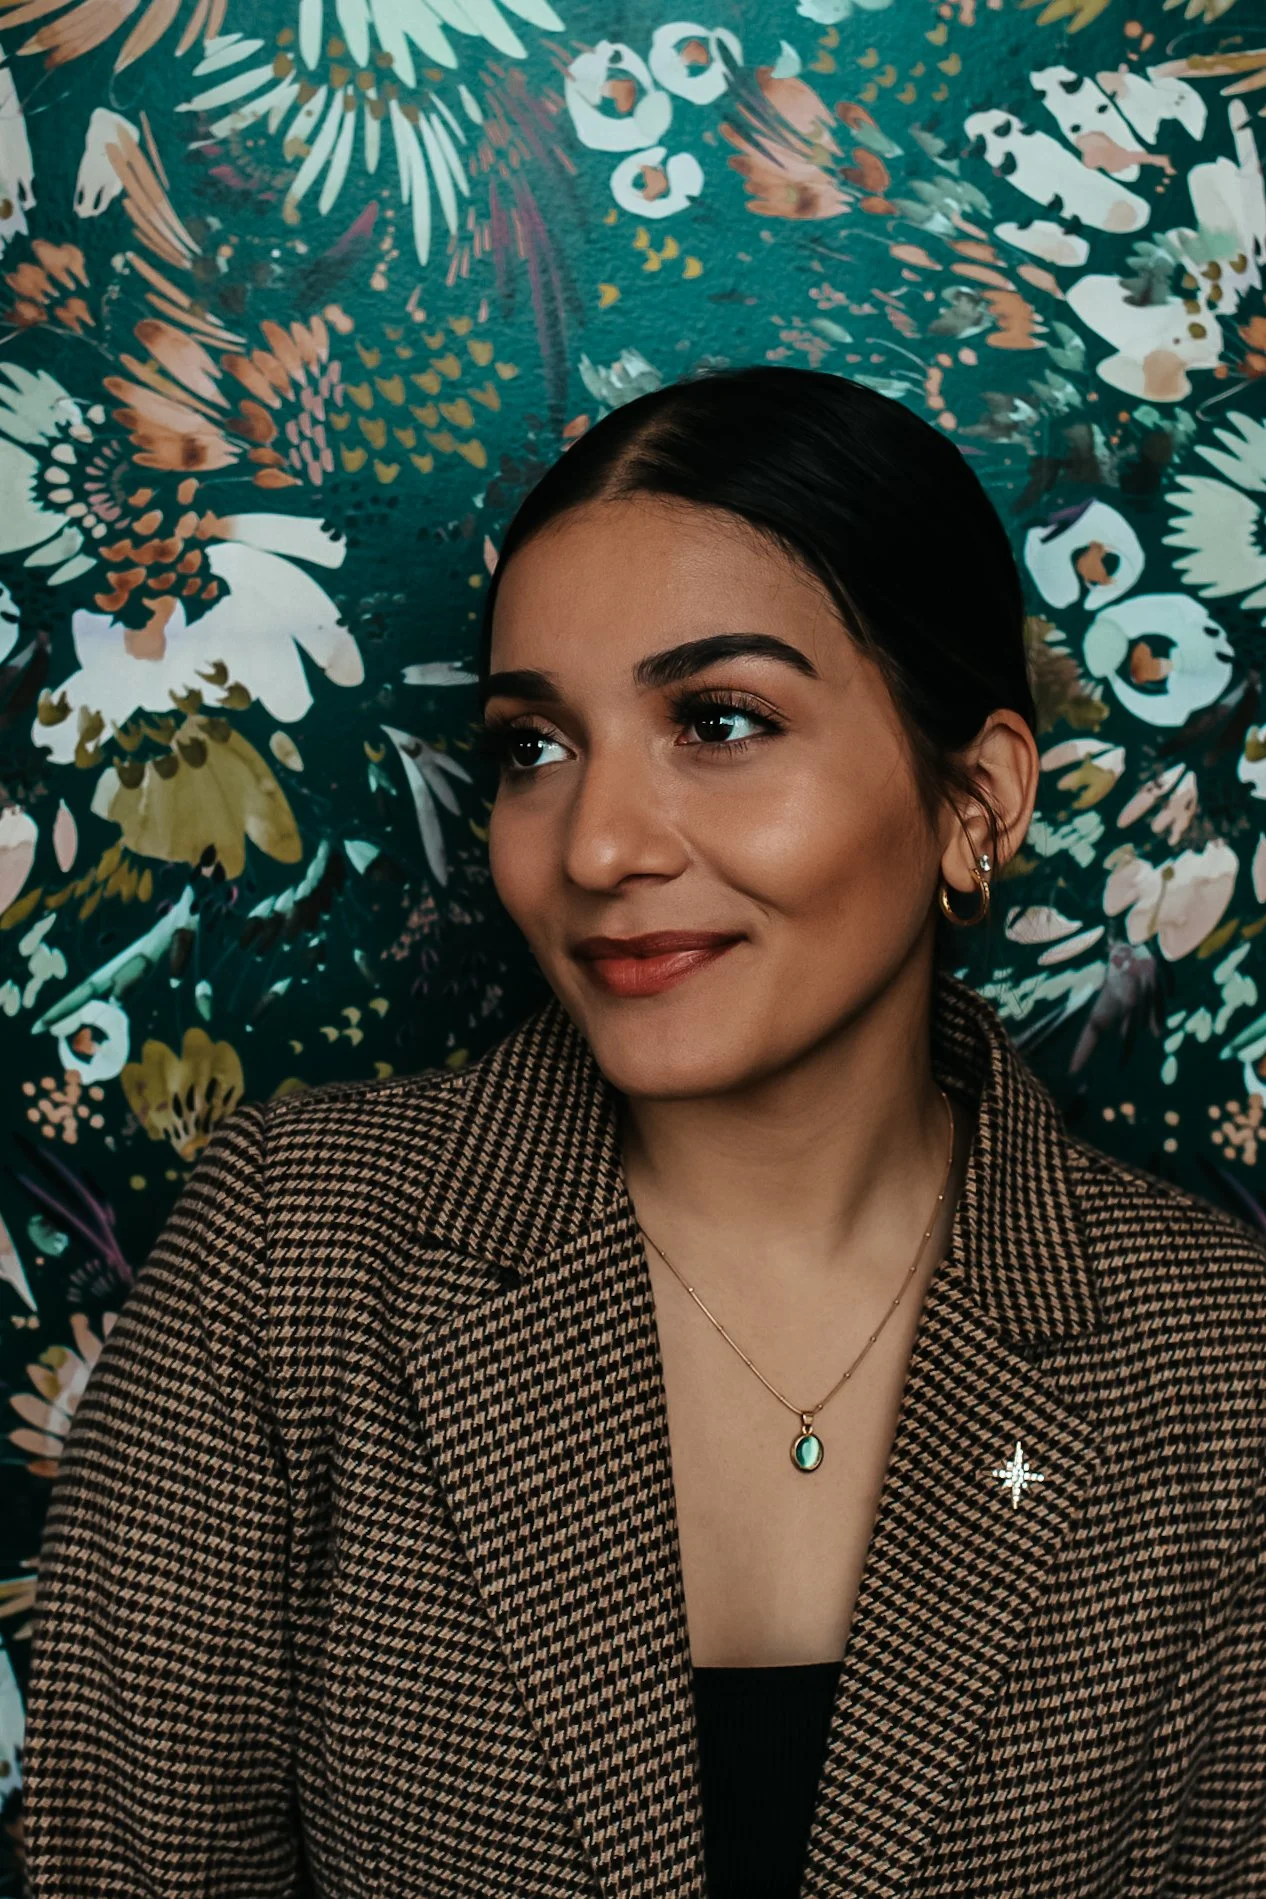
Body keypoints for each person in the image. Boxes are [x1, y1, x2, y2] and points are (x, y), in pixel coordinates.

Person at [20, 365, 1266, 1899]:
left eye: (720, 720)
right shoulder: (294, 1262)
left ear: (978, 798)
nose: (597, 844)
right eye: (532, 748)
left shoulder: (1215, 1364)